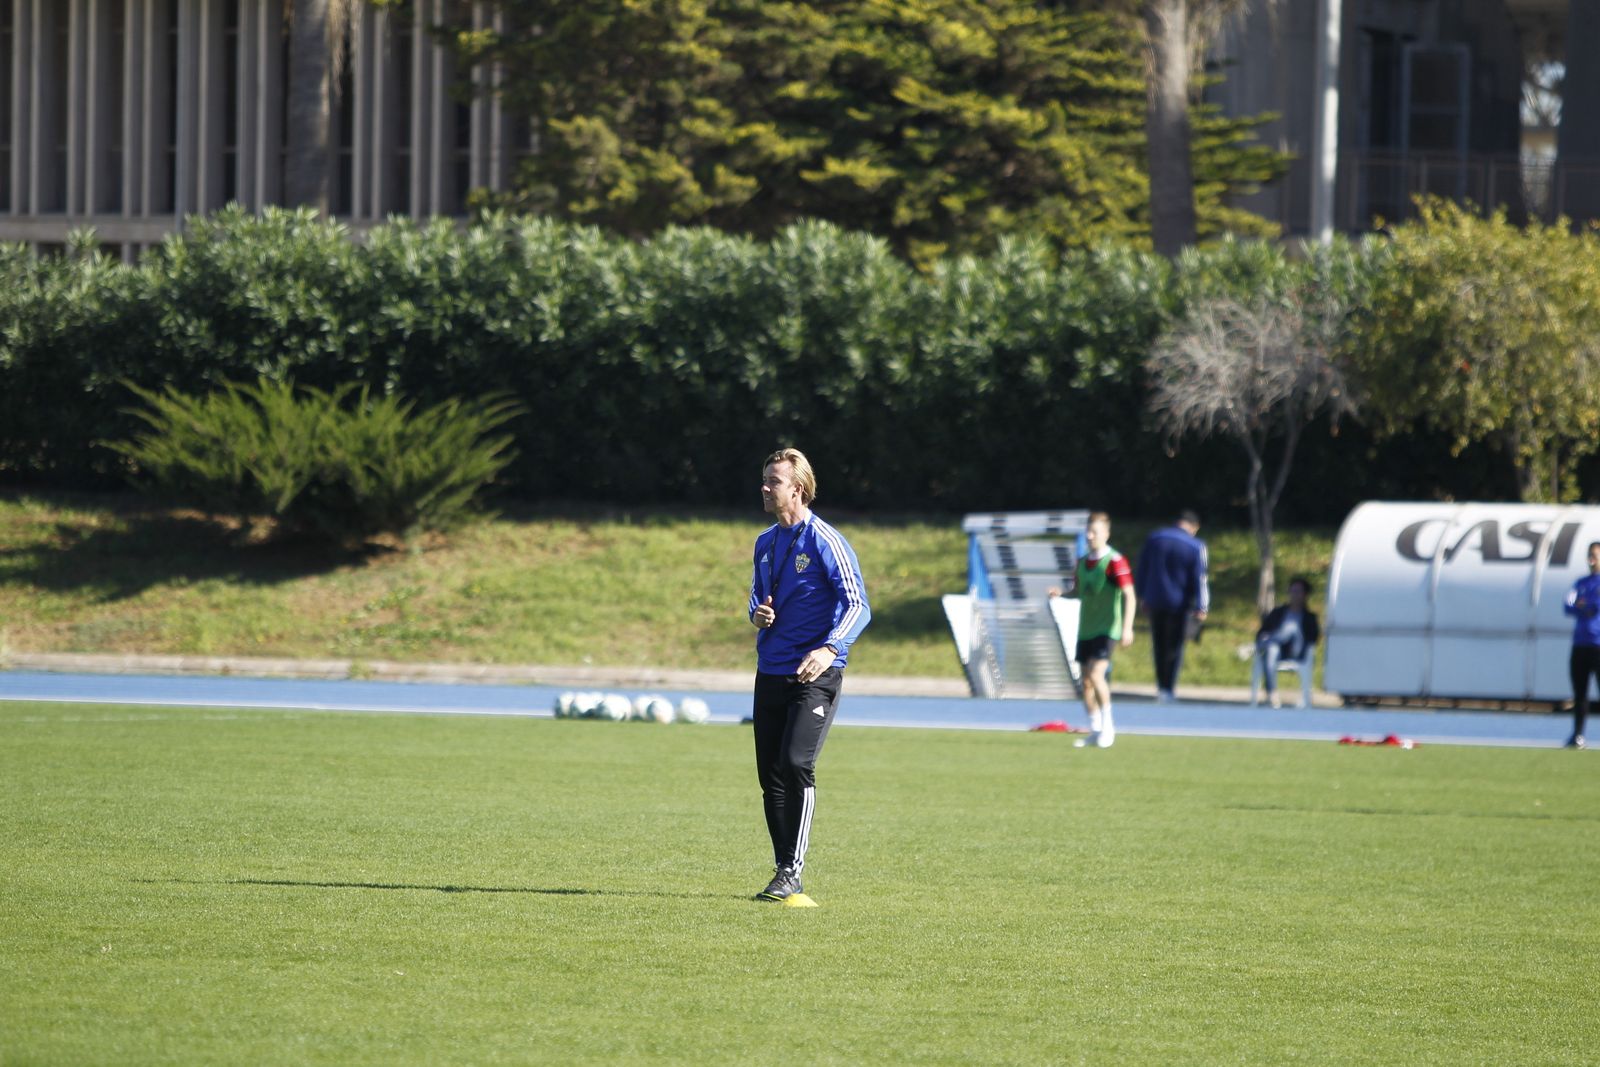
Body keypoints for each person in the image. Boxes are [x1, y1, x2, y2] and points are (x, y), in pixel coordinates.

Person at [747, 447, 871, 902]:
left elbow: (859, 606)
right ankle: (783, 870)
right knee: (770, 775)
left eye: (772, 481)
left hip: (815, 673)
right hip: (771, 670)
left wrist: (829, 647)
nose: (764, 487)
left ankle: (793, 870)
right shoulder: (764, 542)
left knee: (797, 763)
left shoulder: (826, 540)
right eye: (764, 479)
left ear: (797, 489)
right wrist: (757, 616)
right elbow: (756, 600)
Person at [1060, 511, 1136, 749]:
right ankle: (1095, 729)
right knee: (1085, 683)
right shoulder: (1082, 563)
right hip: (1086, 629)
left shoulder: (1115, 561)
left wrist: (1127, 628)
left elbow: (1130, 596)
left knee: (1096, 675)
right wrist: (1060, 593)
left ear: (1106, 534)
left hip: (1107, 629)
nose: (1090, 536)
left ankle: (1108, 727)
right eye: (1088, 532)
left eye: (1095, 532)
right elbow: (1077, 590)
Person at [1134, 509, 1210, 703]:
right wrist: (1202, 605)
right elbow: (1200, 577)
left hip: (1155, 600)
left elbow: (1142, 568)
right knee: (1174, 647)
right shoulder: (1195, 545)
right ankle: (1169, 687)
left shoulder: (1155, 538)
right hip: (1179, 604)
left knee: (1158, 645)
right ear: (1194, 527)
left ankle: (1161, 686)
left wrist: (1142, 595)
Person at [1253, 577, 1320, 709]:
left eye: (1298, 591)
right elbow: (1261, 632)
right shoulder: (1278, 612)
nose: (1294, 594)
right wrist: (1264, 635)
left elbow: (1314, 638)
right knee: (1271, 649)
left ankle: (1267, 642)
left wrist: (1270, 637)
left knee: (1292, 627)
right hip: (1279, 651)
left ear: (1305, 595)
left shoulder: (1309, 617)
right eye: (1292, 591)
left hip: (1297, 650)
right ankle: (1272, 693)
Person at [1561, 541, 1600, 749]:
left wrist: (1582, 606)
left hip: (1598, 644)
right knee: (1580, 693)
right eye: (1589, 555)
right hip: (1580, 644)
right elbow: (1568, 605)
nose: (1591, 560)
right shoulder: (1581, 582)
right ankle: (1577, 735)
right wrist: (1582, 606)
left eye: (1595, 555)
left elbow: (1594, 607)